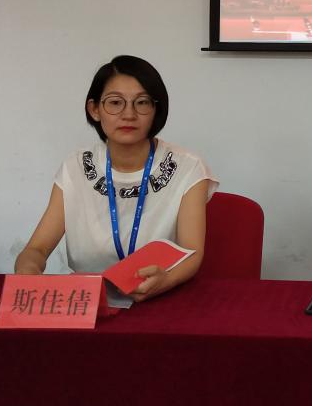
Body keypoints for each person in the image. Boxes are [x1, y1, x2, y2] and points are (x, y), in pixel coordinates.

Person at [16, 55, 218, 301]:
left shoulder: (187, 167)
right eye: (115, 102)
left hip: (160, 299)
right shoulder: (75, 167)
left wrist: (166, 280)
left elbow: (191, 253)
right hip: (89, 302)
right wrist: (28, 271)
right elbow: (36, 249)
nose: (128, 114)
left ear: (156, 110)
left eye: (142, 102)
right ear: (95, 109)